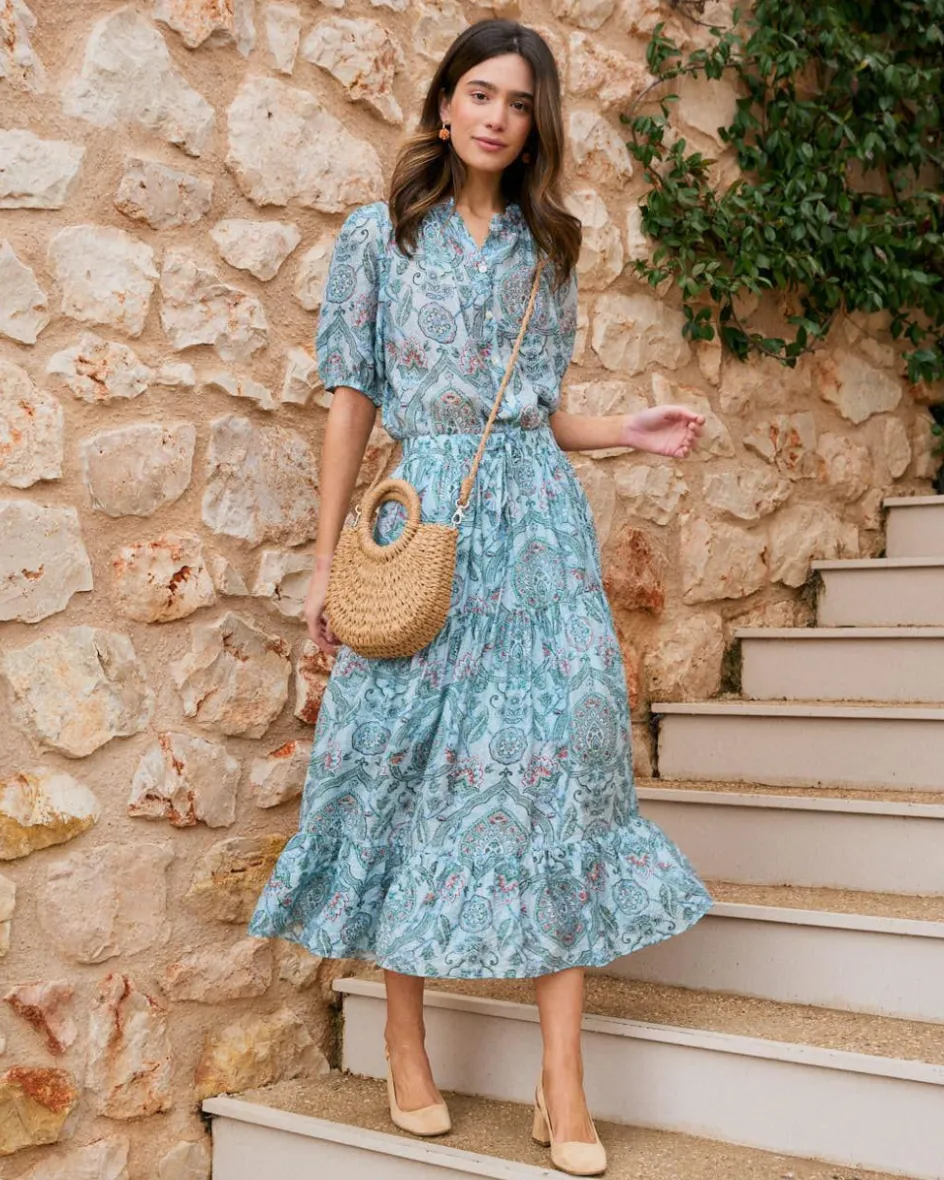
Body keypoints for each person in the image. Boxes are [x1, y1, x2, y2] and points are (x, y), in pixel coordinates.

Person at [249, 18, 713, 1176]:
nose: (496, 116)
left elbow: (540, 411)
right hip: (421, 520)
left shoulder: (546, 244)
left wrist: (625, 429)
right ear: (445, 103)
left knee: (557, 771)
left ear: (534, 121)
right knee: (401, 761)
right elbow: (352, 399)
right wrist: (324, 561)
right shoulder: (378, 234)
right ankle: (404, 1038)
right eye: (478, 93)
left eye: (516, 100)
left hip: (537, 531)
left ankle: (563, 1078)